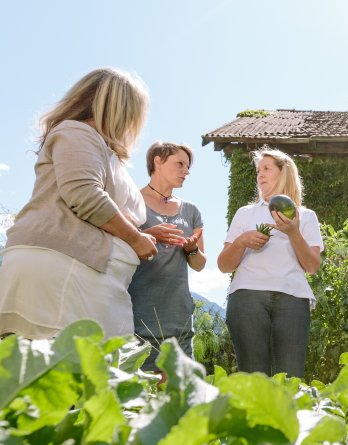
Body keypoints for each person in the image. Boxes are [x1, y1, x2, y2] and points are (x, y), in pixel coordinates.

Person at [0, 68, 157, 339]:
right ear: (122, 109)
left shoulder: (101, 148)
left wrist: (143, 236)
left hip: (83, 270)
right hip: (65, 266)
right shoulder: (77, 133)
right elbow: (86, 196)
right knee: (77, 369)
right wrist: (136, 240)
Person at [217, 147, 323, 377]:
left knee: (291, 377)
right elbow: (224, 265)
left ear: (284, 173)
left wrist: (294, 233)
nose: (260, 175)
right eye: (258, 171)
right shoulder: (245, 214)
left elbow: (313, 266)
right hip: (247, 297)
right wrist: (242, 241)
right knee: (254, 377)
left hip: (293, 299)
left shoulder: (305, 216)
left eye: (266, 169)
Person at [127, 142, 206, 371]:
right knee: (140, 395)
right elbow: (117, 247)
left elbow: (200, 264)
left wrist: (191, 249)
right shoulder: (133, 201)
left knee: (179, 393)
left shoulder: (191, 211)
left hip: (179, 317)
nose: (186, 171)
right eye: (180, 164)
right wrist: (146, 236)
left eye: (188, 166)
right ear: (157, 161)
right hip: (138, 314)